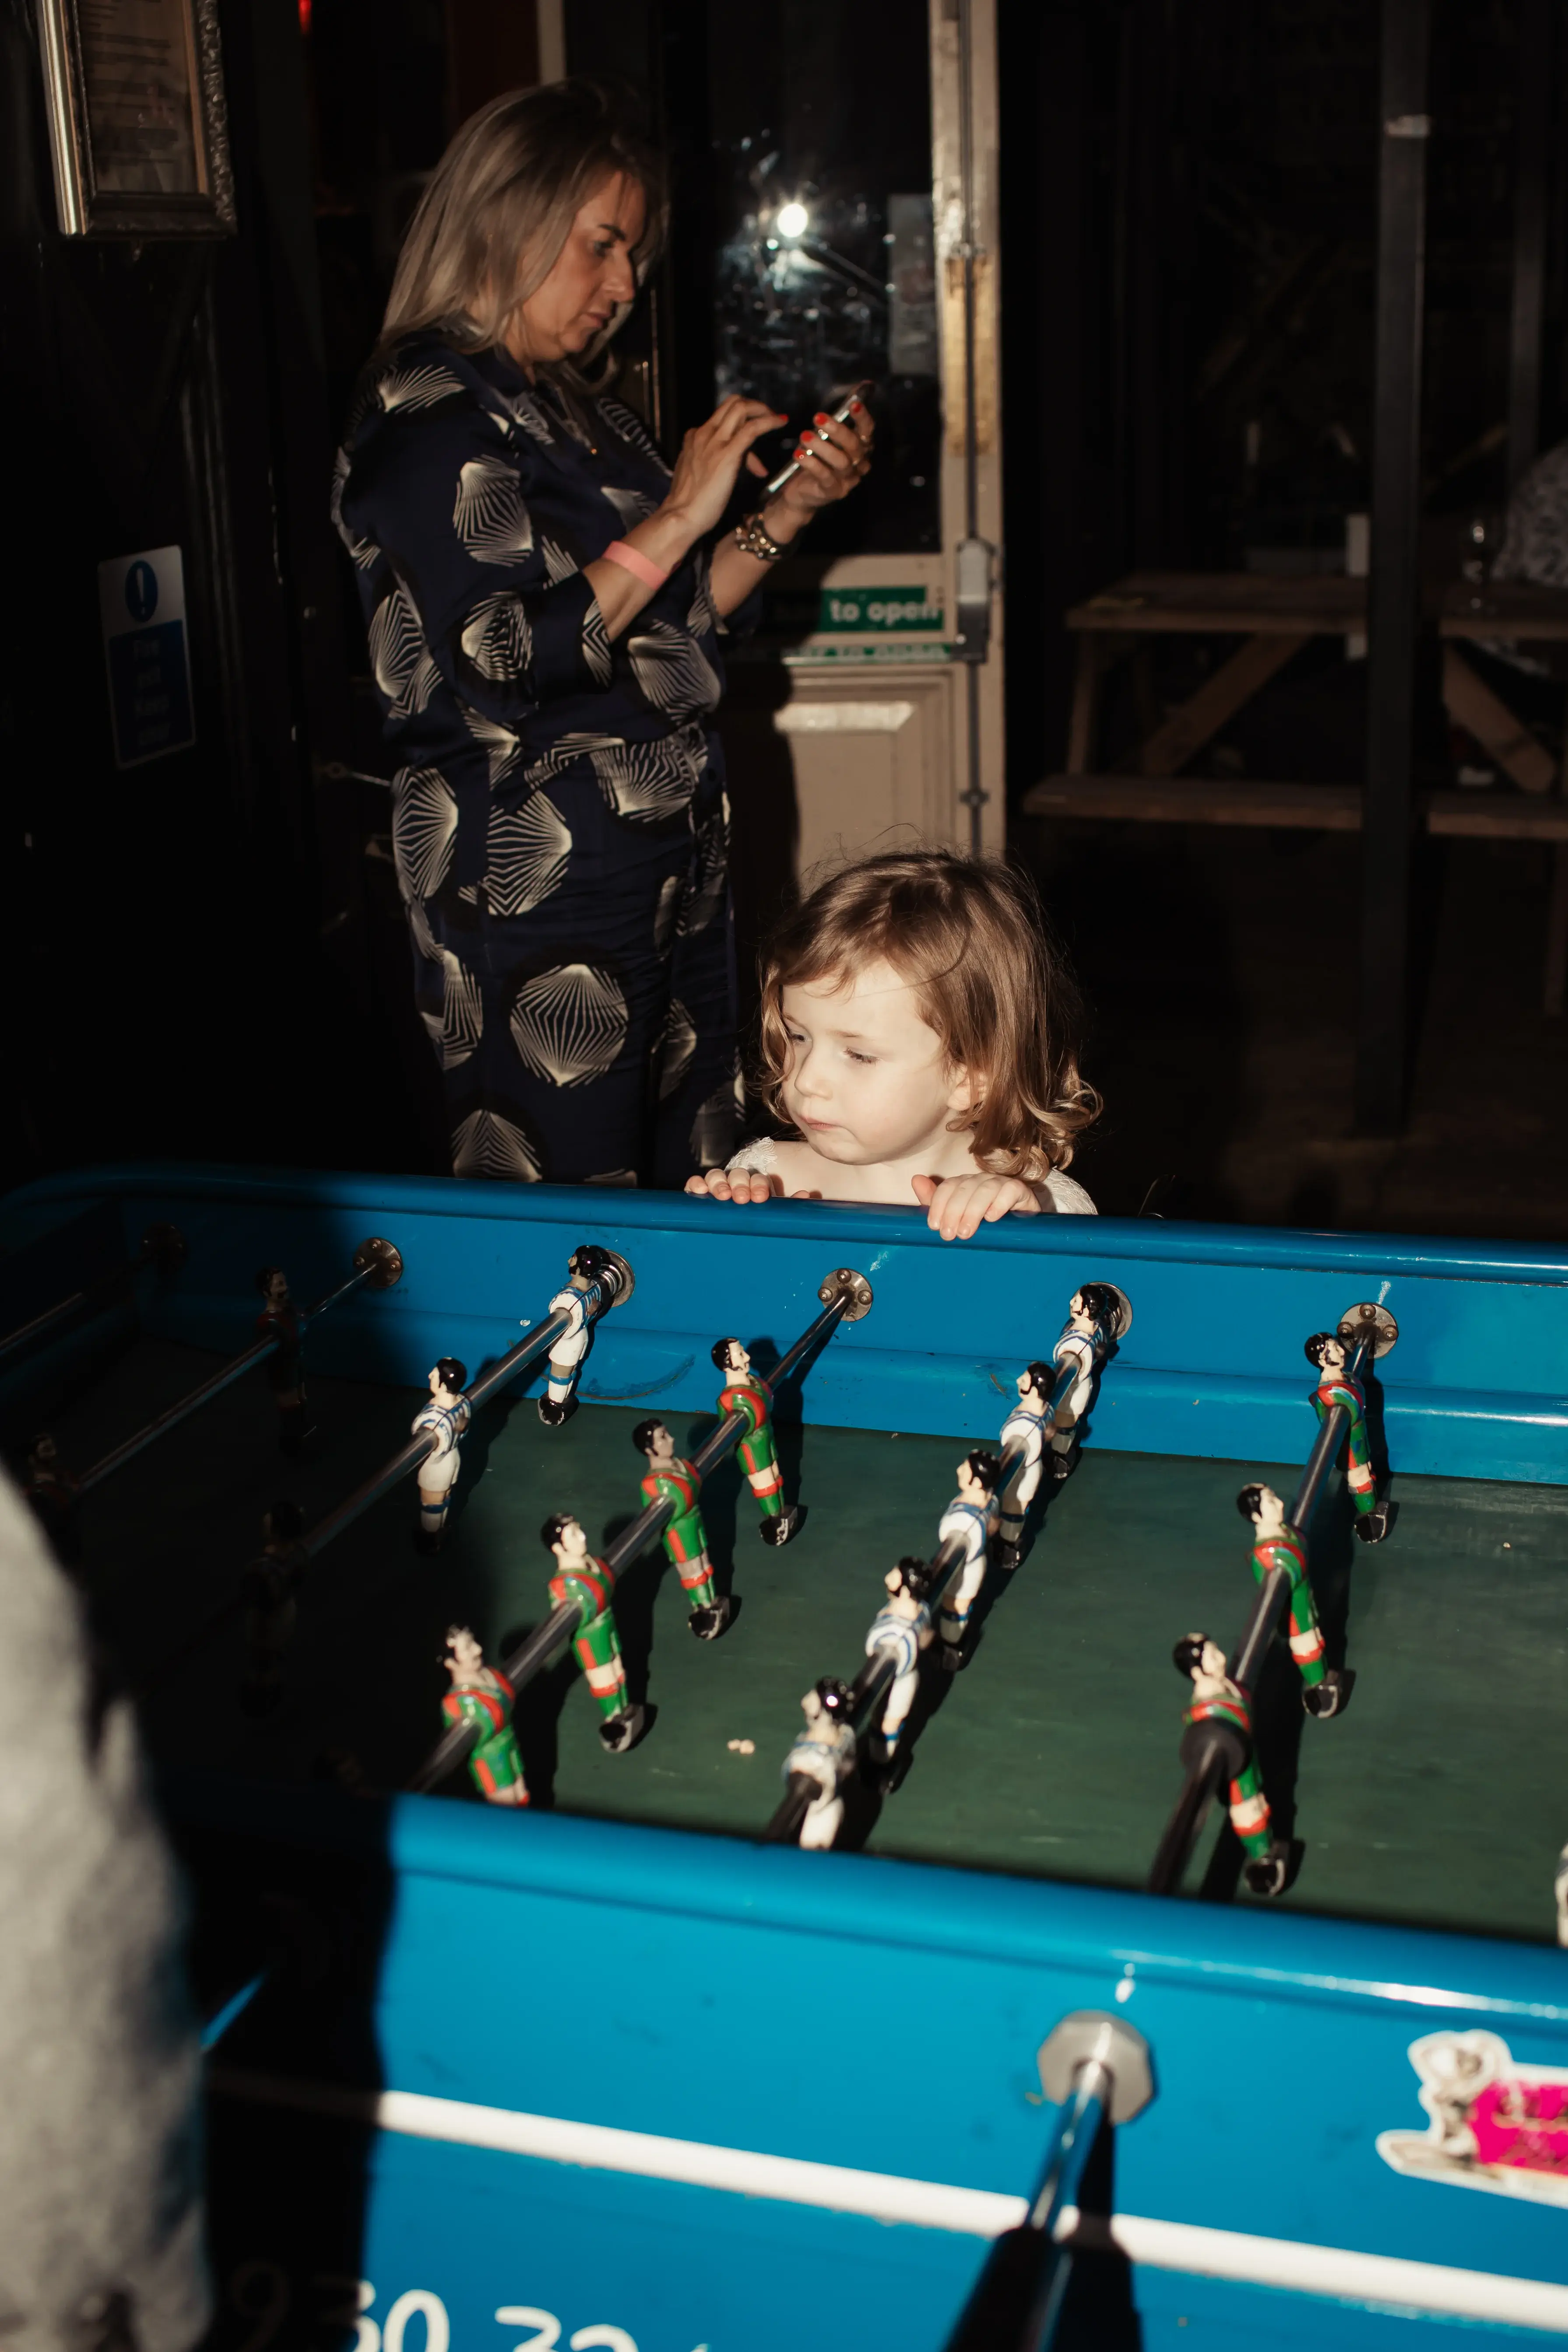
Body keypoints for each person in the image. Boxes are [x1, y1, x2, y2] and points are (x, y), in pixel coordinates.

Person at [334, 80, 873, 1187]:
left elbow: (662, 623)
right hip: (533, 887)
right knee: (565, 1212)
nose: (625, 288)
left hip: (651, 868)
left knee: (693, 1178)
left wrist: (784, 513)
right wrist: (681, 508)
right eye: (602, 246)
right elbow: (507, 658)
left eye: (633, 254)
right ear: (506, 216)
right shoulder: (432, 410)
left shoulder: (571, 409)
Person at [685, 849, 1100, 1238]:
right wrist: (722, 1233)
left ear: (971, 1078)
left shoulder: (1042, 1205)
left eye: (860, 1054)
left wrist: (1026, 1233)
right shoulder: (765, 1176)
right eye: (798, 1036)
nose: (807, 1079)